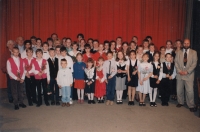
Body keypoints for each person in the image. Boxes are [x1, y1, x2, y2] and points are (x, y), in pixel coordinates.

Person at [175, 39, 198, 112]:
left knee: (190, 91)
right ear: (183, 44)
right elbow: (176, 62)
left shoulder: (193, 52)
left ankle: (191, 105)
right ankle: (180, 102)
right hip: (180, 74)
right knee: (179, 90)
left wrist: (187, 71)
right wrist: (179, 71)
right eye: (185, 43)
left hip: (189, 75)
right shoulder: (178, 52)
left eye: (187, 43)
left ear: (189, 44)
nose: (186, 45)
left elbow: (194, 63)